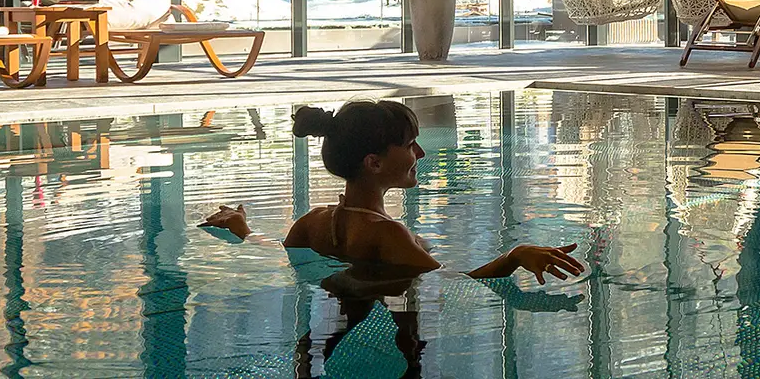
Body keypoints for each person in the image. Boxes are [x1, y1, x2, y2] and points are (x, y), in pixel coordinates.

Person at [201, 99, 583, 284]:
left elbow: (276, 253)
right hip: (389, 330)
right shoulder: (388, 234)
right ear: (375, 163)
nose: (420, 153)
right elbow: (457, 282)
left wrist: (243, 229)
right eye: (410, 144)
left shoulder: (312, 221)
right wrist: (515, 255)